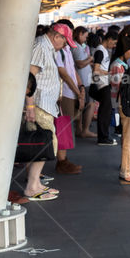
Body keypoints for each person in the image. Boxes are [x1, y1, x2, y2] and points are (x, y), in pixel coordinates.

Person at [24, 24, 75, 200]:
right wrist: (29, 106)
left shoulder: (47, 47)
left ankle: (36, 182)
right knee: (45, 143)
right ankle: (32, 187)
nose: (66, 45)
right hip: (39, 104)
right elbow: (29, 78)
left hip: (45, 104)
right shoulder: (40, 46)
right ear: (56, 36)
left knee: (44, 143)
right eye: (65, 41)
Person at [110, 32, 130, 185]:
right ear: (126, 51)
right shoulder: (118, 66)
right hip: (126, 105)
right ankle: (125, 171)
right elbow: (120, 86)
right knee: (129, 140)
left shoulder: (126, 64)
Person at [52, 20, 83, 174]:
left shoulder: (67, 50)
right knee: (63, 126)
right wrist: (77, 92)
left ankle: (64, 160)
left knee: (66, 126)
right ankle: (61, 162)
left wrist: (81, 86)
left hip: (71, 92)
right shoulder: (57, 51)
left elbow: (72, 70)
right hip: (64, 93)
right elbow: (63, 73)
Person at [91, 30, 117, 145]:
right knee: (104, 112)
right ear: (109, 39)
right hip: (101, 84)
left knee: (106, 111)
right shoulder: (100, 51)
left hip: (103, 83)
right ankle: (103, 138)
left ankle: (105, 136)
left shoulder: (103, 50)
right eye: (114, 42)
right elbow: (96, 70)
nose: (114, 45)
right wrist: (109, 73)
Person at [71, 26, 96, 138]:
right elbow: (80, 64)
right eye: (85, 36)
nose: (86, 39)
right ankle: (84, 130)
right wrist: (90, 59)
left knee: (82, 105)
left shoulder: (78, 46)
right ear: (80, 34)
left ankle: (80, 129)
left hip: (85, 80)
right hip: (84, 81)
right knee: (89, 104)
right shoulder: (76, 47)